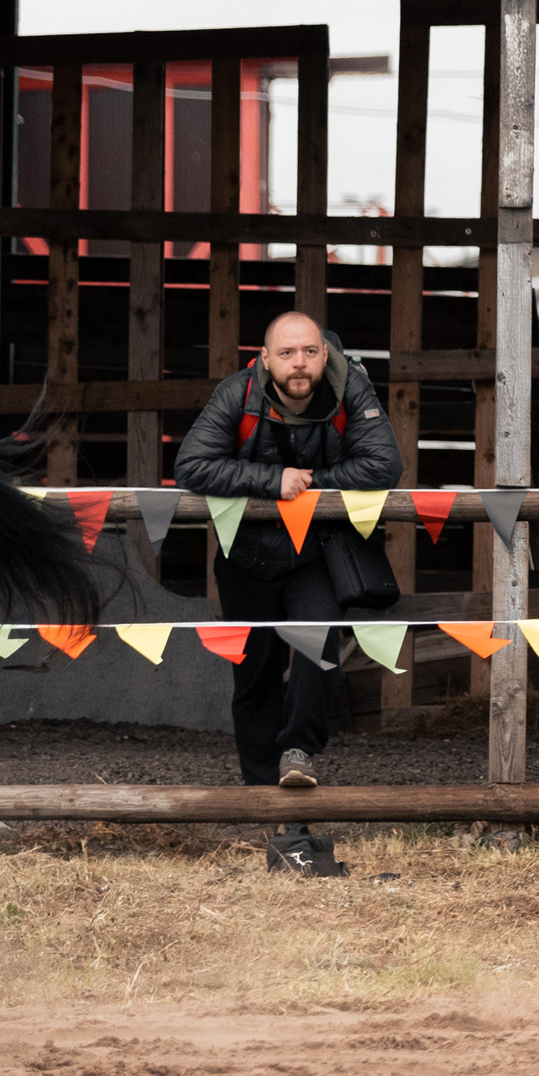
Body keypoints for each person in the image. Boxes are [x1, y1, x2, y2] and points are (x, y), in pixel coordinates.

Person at [174, 310, 403, 789]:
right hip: (246, 557)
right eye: (287, 353)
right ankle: (261, 795)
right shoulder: (236, 393)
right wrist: (270, 481)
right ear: (265, 360)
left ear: (324, 354)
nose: (299, 364)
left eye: (309, 352)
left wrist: (309, 484)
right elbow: (192, 465)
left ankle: (299, 750)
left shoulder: (351, 386)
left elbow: (383, 465)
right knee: (254, 675)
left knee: (316, 644)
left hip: (318, 554)